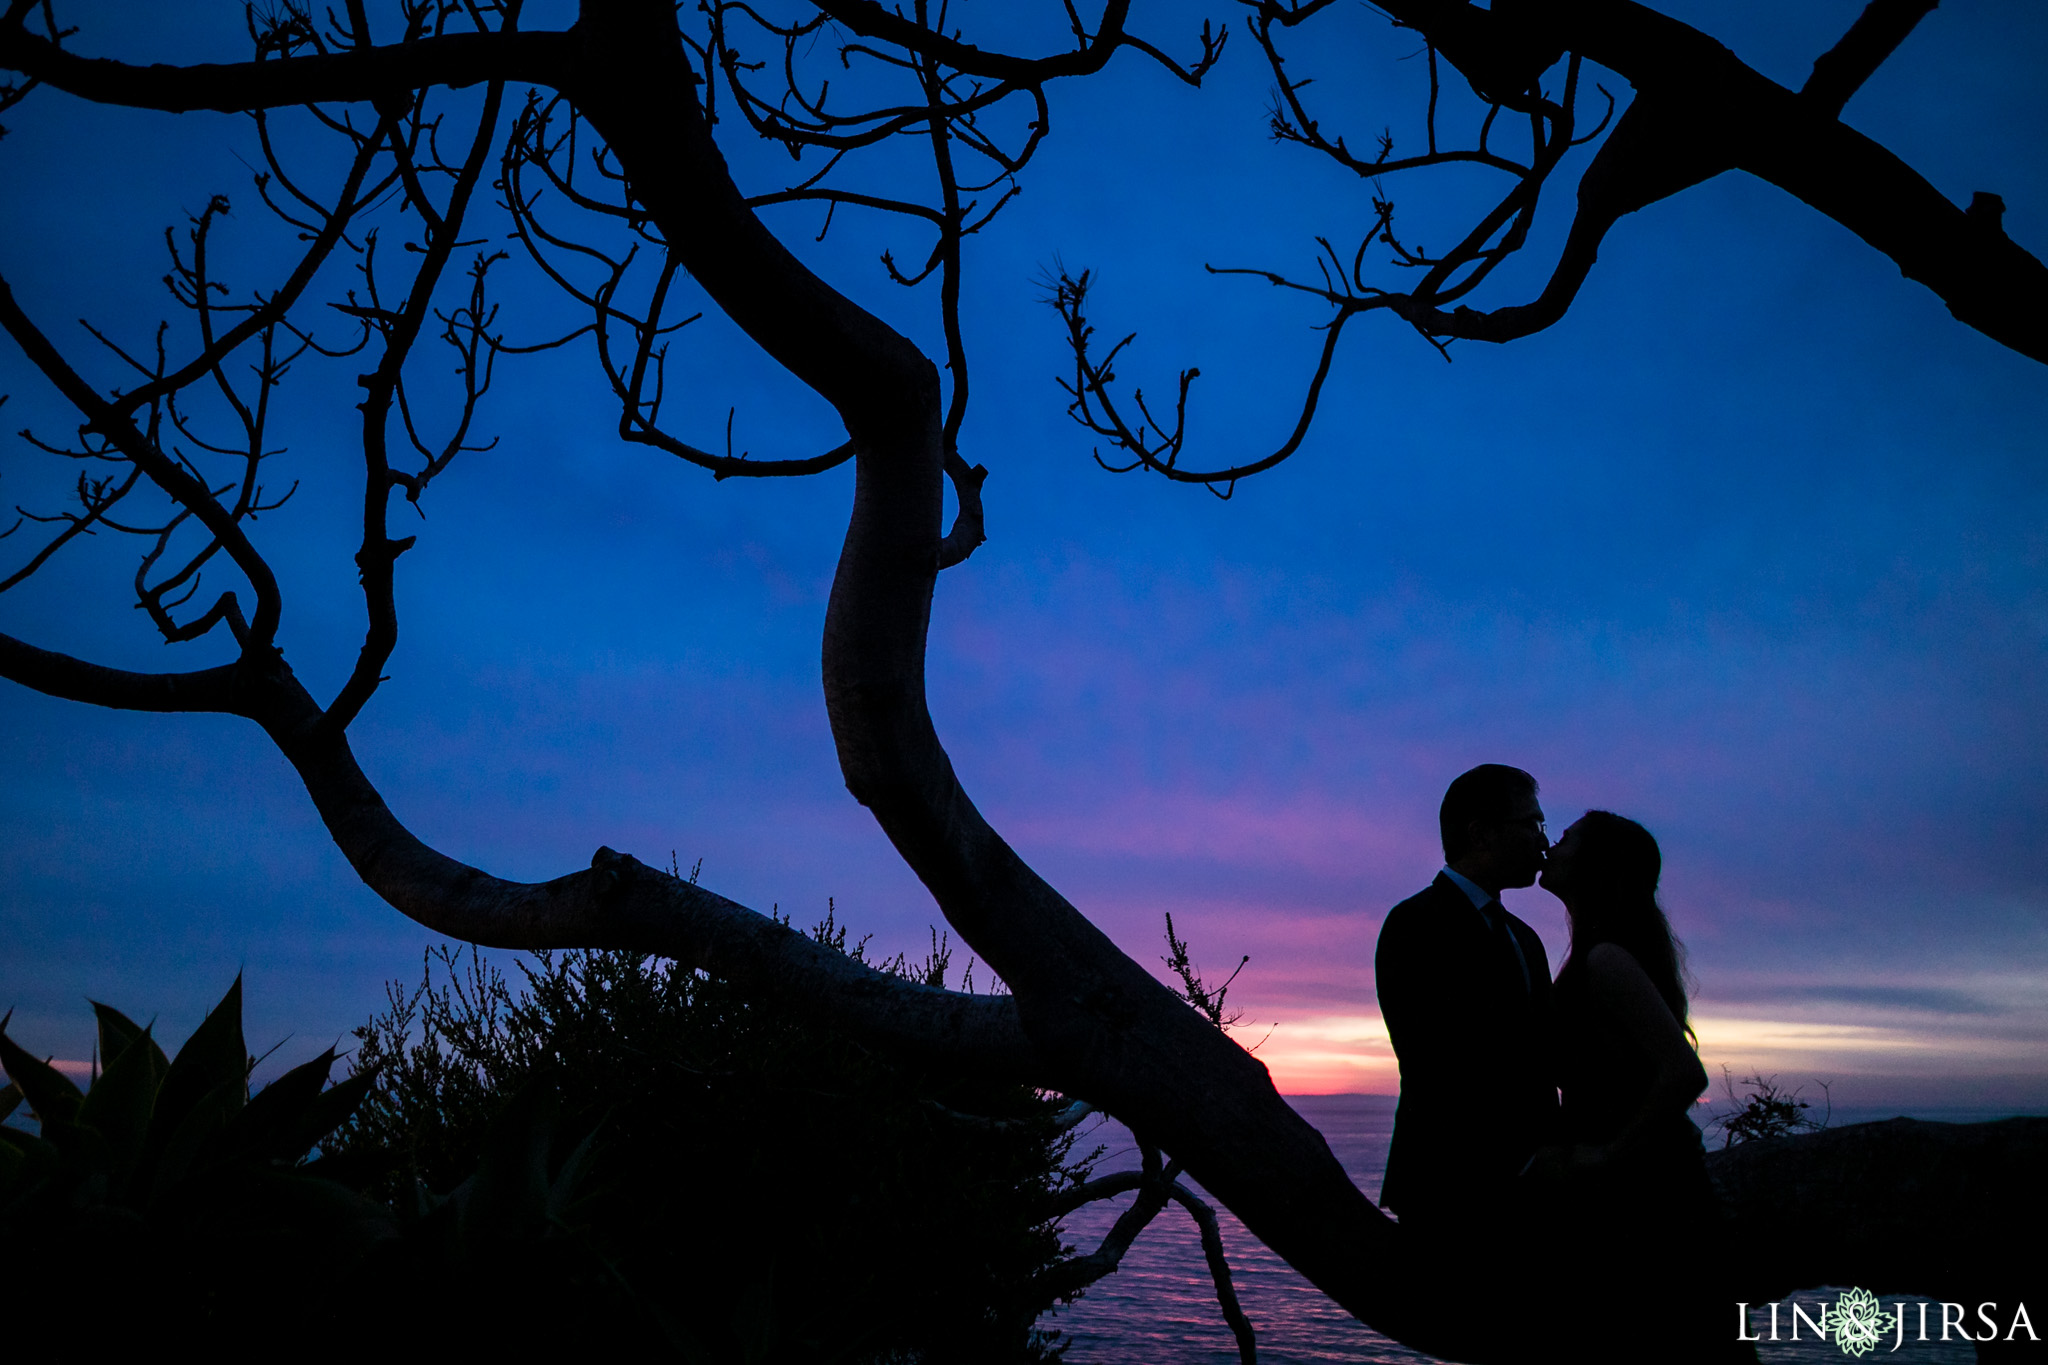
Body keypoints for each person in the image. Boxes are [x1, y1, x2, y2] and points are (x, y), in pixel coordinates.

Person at [1530, 810, 1749, 1363]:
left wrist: (1604, 1159)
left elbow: (1683, 1074)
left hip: (1646, 1193)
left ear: (1597, 866)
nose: (1551, 845)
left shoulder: (1606, 960)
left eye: (1568, 838)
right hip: (1637, 1186)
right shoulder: (1594, 955)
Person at [1376, 764, 1559, 1242]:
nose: (1544, 841)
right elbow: (1435, 1059)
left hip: (1531, 1194)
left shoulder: (1525, 937)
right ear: (1481, 833)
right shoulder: (1414, 923)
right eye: (1532, 823)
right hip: (1452, 1193)